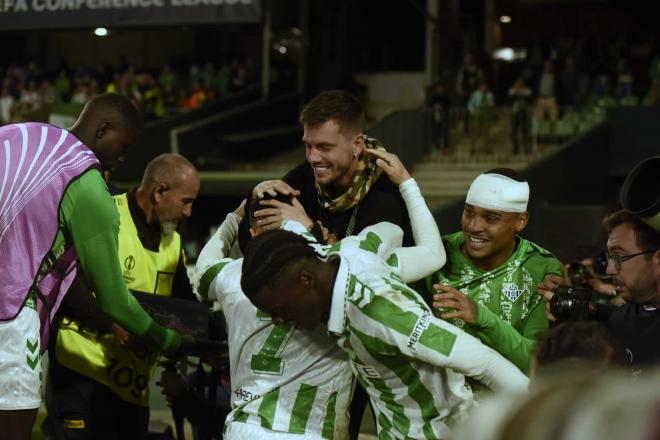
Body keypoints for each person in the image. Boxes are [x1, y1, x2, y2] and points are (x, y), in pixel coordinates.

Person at [196, 150, 446, 439]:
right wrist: (406, 183)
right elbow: (429, 252)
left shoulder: (231, 277)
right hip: (311, 432)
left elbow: (203, 268)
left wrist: (235, 217)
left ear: (253, 231)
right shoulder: (347, 263)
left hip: (244, 429)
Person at [0, 93, 188, 439]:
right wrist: (171, 342)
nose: (122, 157)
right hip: (12, 322)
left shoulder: (17, 134)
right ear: (103, 129)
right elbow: (114, 300)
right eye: (123, 146)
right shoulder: (89, 186)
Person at [240, 228, 528, 439]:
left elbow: (484, 362)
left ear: (306, 279)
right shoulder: (349, 252)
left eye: (278, 308)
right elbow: (389, 230)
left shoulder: (380, 315)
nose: (278, 321)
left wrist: (550, 416)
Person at [241, 90, 414, 437]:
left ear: (356, 144)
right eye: (307, 146)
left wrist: (307, 230)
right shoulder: (305, 179)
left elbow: (364, 273)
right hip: (309, 335)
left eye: (324, 147)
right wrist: (256, 201)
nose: (313, 157)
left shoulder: (386, 198)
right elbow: (255, 238)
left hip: (364, 340)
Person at [48, 153, 200, 439]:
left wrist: (215, 341)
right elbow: (65, 280)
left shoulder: (173, 242)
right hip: (83, 375)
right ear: (159, 192)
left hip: (133, 391)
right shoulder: (106, 215)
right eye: (186, 201)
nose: (189, 212)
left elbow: (186, 306)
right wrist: (110, 324)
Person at [424, 169, 564, 375]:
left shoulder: (541, 268)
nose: (473, 226)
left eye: (490, 219)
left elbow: (534, 361)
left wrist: (481, 318)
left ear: (521, 221)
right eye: (469, 212)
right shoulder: (436, 254)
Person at [538, 209, 660, 373]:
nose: (609, 270)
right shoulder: (621, 317)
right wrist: (571, 305)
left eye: (619, 257)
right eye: (610, 257)